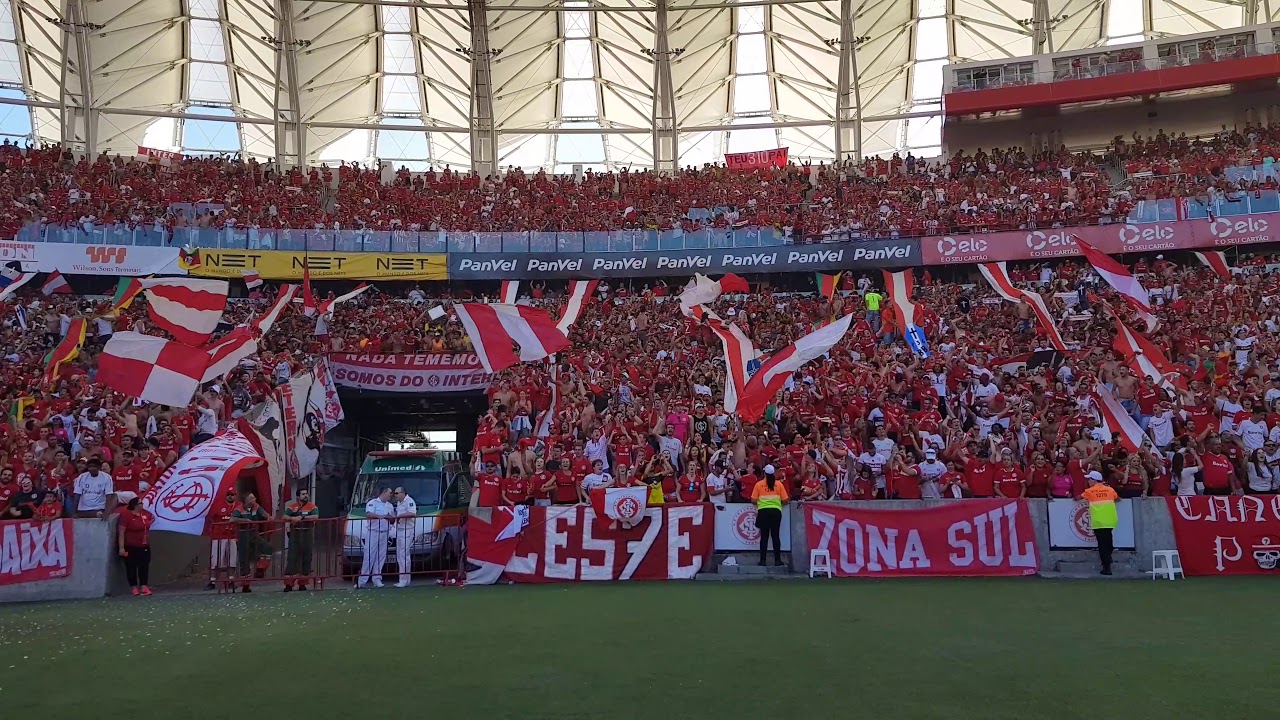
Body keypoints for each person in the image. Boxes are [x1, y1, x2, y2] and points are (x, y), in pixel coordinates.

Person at [1081, 471, 1120, 575]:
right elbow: (1117, 498)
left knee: (1102, 545)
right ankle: (1109, 558)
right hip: (1110, 520)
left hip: (1098, 521)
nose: (1088, 481)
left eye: (1089, 479)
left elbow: (1080, 497)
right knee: (1108, 541)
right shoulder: (1110, 489)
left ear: (1094, 480)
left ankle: (1106, 566)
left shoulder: (1089, 491)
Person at [231, 492, 271, 593]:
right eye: (252, 498)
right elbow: (232, 519)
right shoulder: (239, 509)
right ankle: (245, 584)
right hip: (243, 535)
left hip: (254, 534)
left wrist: (268, 517)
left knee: (267, 547)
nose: (255, 499)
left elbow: (265, 514)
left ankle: (260, 569)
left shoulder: (256, 507)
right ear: (247, 501)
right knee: (244, 560)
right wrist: (244, 520)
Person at [750, 464, 789, 567]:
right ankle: (777, 560)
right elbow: (785, 500)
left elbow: (753, 500)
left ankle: (763, 561)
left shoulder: (759, 484)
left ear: (764, 473)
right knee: (775, 536)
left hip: (763, 512)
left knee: (764, 537)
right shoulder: (779, 485)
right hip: (776, 512)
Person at [116, 496, 155, 596]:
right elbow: (121, 532)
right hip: (131, 546)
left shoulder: (144, 514)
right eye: (140, 503)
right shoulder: (126, 515)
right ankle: (133, 587)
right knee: (131, 567)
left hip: (144, 545)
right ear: (135, 505)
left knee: (144, 565)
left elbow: (151, 518)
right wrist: (121, 547)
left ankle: (144, 586)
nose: (142, 504)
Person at [283, 488, 319, 592]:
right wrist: (292, 519)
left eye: (306, 494)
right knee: (292, 558)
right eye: (303, 494)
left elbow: (316, 516)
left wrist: (302, 518)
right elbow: (285, 516)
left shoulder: (312, 506)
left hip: (307, 533)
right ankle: (289, 584)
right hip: (295, 534)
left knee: (306, 558)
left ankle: (302, 583)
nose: (305, 495)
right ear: (298, 496)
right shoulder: (292, 507)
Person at [358, 487, 394, 588]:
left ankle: (377, 579)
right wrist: (380, 516)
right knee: (369, 555)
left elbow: (393, 519)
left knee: (381, 556)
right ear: (384, 492)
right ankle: (363, 580)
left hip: (385, 532)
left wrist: (390, 518)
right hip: (373, 532)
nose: (391, 495)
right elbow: (368, 514)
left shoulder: (390, 506)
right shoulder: (373, 502)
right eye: (389, 493)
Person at [208, 489, 239, 590]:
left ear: (235, 495)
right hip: (218, 537)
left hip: (232, 536)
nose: (230, 496)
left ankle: (231, 580)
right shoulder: (218, 505)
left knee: (232, 559)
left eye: (232, 494)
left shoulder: (239, 506)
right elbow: (211, 517)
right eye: (228, 494)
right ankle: (212, 581)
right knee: (215, 560)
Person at [391, 486, 417, 588]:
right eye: (394, 493)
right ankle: (404, 579)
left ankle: (404, 579)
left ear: (403, 493)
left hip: (407, 531)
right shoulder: (399, 503)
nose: (395, 495)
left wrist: (400, 516)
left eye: (397, 493)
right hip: (400, 530)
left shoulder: (409, 501)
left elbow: (412, 513)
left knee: (403, 555)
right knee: (400, 555)